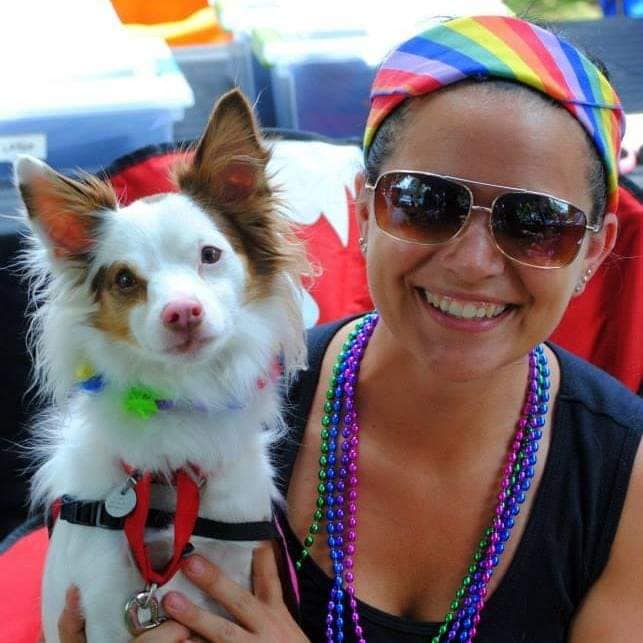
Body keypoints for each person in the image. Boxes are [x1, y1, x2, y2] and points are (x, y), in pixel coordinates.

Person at [56, 14, 643, 643]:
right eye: (424, 202)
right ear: (363, 209)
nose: (473, 264)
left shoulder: (623, 476)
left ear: (594, 251)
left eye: (536, 223)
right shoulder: (219, 408)